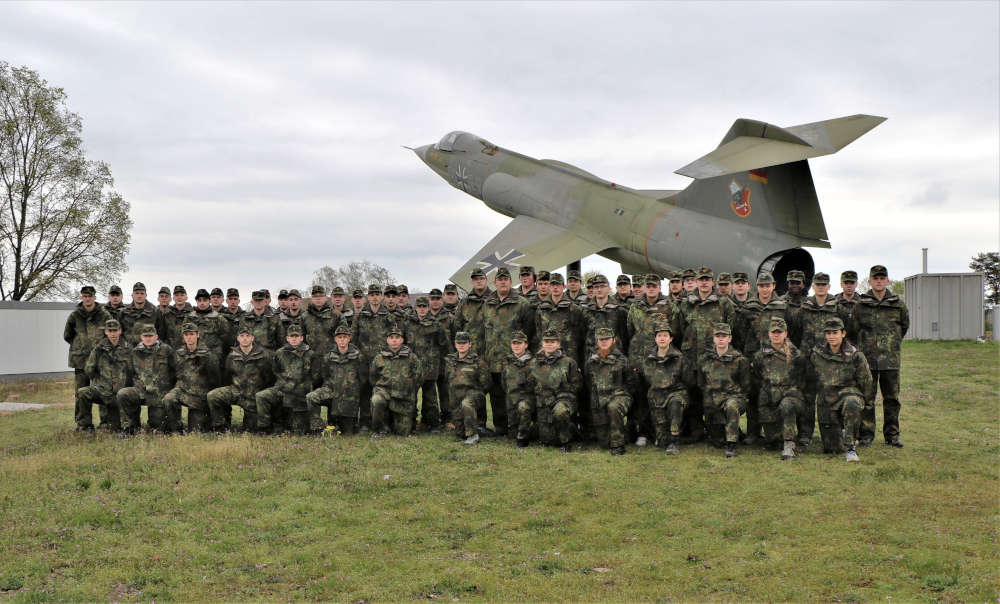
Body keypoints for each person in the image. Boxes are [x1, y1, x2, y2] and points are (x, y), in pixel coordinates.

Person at [853, 265, 909, 447]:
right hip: (867, 361)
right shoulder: (861, 304)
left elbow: (904, 326)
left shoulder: (897, 303)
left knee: (892, 400)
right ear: (869, 281)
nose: (879, 281)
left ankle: (892, 436)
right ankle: (867, 435)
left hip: (890, 361)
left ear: (887, 281)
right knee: (867, 399)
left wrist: (891, 344)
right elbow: (853, 329)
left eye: (882, 278)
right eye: (875, 278)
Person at [625, 273, 681, 446]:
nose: (651, 288)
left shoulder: (670, 306)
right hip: (639, 358)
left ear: (659, 287)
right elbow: (629, 330)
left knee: (659, 395)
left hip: (661, 360)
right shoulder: (635, 306)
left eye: (654, 286)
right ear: (644, 287)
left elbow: (675, 331)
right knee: (641, 396)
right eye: (648, 285)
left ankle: (660, 433)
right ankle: (643, 432)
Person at [807, 317, 874, 461]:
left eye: (835, 333)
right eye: (828, 333)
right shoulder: (817, 353)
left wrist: (866, 403)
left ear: (843, 333)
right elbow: (811, 378)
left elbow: (866, 381)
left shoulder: (855, 355)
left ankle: (851, 447)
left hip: (848, 394)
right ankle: (841, 433)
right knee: (832, 449)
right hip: (826, 399)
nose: (831, 336)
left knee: (852, 403)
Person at [733, 272, 787, 444]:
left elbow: (790, 331)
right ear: (757, 287)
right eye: (762, 286)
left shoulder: (781, 306)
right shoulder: (748, 307)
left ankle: (774, 432)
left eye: (768, 285)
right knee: (753, 395)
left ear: (773, 286)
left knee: (774, 395)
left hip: (776, 358)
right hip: (752, 358)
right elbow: (739, 333)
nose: (765, 289)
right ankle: (753, 433)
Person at [482, 267, 535, 437]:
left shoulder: (522, 303)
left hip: (515, 359)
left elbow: (530, 331)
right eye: (500, 279)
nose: (503, 282)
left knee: (515, 394)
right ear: (495, 283)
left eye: (506, 279)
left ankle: (517, 428)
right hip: (493, 357)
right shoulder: (487, 304)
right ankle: (500, 428)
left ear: (511, 283)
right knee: (496, 395)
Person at [793, 271, 839, 448]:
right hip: (809, 359)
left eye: (824, 284)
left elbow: (845, 331)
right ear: (813, 287)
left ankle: (830, 434)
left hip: (830, 360)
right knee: (808, 398)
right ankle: (805, 434)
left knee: (829, 398)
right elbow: (796, 329)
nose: (820, 287)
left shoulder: (837, 307)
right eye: (817, 284)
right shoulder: (805, 307)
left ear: (828, 286)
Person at [751, 317, 806, 460]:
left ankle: (789, 444)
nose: (776, 335)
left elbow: (803, 378)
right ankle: (776, 438)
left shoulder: (796, 355)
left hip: (791, 396)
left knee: (787, 405)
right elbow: (757, 376)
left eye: (779, 332)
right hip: (769, 396)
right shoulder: (760, 355)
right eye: (773, 332)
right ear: (769, 333)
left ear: (785, 334)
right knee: (772, 441)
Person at [207, 324, 274, 432]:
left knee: (251, 430)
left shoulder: (263, 356)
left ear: (252, 338)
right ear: (238, 338)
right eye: (242, 336)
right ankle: (220, 427)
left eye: (247, 336)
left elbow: (269, 379)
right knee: (213, 396)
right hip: (236, 391)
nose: (245, 338)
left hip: (254, 395)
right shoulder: (232, 356)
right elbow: (227, 377)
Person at [63, 285, 113, 429]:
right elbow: (68, 335)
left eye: (90, 296)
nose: (87, 299)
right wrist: (81, 346)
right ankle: (83, 424)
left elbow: (110, 335)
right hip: (80, 361)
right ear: (81, 297)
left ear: (94, 297)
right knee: (81, 393)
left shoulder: (104, 315)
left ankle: (106, 423)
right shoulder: (75, 316)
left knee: (103, 391)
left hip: (100, 361)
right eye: (85, 296)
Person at [256, 324, 320, 434]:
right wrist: (283, 384)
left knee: (298, 430)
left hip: (301, 393)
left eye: (296, 336)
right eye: (291, 336)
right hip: (282, 388)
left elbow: (315, 377)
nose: (294, 339)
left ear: (301, 338)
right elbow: (275, 371)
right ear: (287, 338)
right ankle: (264, 428)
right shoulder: (280, 353)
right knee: (261, 396)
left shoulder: (310, 354)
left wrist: (302, 386)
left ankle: (285, 424)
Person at [639, 322, 693, 455]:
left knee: (675, 404)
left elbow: (688, 380)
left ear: (671, 338)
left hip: (676, 393)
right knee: (662, 441)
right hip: (656, 396)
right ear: (655, 338)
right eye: (659, 335)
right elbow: (647, 379)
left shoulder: (679, 357)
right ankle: (666, 438)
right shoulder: (648, 358)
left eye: (665, 335)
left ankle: (675, 441)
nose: (662, 338)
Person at [698, 323, 750, 458]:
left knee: (731, 406)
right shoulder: (705, 359)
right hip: (712, 400)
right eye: (718, 336)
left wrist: (734, 396)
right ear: (713, 338)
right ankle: (733, 431)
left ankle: (731, 444)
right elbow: (701, 382)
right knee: (717, 441)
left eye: (724, 336)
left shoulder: (739, 360)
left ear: (730, 338)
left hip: (734, 398)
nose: (721, 339)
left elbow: (745, 385)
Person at [306, 324, 368, 435]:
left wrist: (352, 391)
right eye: (339, 337)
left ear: (349, 338)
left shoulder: (359, 357)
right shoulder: (328, 357)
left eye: (345, 337)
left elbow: (362, 380)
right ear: (335, 339)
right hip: (331, 391)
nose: (342, 340)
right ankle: (317, 428)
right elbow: (325, 376)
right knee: (311, 397)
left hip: (350, 395)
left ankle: (340, 423)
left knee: (347, 433)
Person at [584, 327, 637, 455]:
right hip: (599, 399)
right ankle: (629, 433)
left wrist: (623, 396)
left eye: (607, 339)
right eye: (601, 339)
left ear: (613, 340)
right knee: (604, 443)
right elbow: (588, 382)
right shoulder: (591, 361)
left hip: (618, 396)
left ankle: (618, 446)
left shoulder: (622, 360)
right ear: (597, 341)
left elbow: (632, 382)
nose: (603, 342)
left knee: (614, 408)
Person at [117, 324, 176, 434]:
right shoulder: (135, 352)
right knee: (123, 394)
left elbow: (175, 371)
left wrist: (169, 389)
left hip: (159, 393)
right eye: (145, 336)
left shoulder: (166, 350)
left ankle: (159, 426)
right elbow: (129, 373)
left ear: (156, 336)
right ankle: (130, 427)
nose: (148, 338)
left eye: (150, 336)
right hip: (140, 391)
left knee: (158, 428)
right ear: (141, 337)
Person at [352, 284, 395, 431]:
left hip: (383, 361)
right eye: (372, 295)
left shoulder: (388, 316)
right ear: (368, 297)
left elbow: (394, 338)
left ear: (381, 296)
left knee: (383, 390)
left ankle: (384, 422)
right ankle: (364, 422)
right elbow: (353, 338)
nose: (375, 297)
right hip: (364, 361)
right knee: (364, 391)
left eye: (377, 294)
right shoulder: (360, 316)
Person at [74, 319, 129, 432]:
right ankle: (85, 426)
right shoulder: (98, 349)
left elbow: (134, 371)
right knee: (83, 392)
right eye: (110, 331)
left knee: (116, 428)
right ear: (106, 332)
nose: (113, 334)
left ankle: (123, 424)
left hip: (119, 395)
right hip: (102, 391)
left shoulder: (128, 349)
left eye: (115, 330)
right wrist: (101, 380)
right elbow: (89, 370)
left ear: (120, 331)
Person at [532, 328, 582, 452]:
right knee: (547, 440)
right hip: (542, 402)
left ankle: (566, 443)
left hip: (563, 400)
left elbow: (577, 385)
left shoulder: (568, 362)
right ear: (542, 343)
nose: (549, 344)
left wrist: (560, 395)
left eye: (552, 341)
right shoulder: (534, 363)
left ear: (558, 344)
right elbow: (529, 384)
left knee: (560, 412)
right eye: (546, 341)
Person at [163, 322, 220, 432]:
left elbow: (215, 379)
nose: (189, 337)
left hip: (199, 394)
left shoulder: (208, 355)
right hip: (182, 390)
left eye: (192, 334)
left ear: (198, 335)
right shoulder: (178, 354)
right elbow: (173, 373)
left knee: (196, 430)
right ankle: (176, 429)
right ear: (183, 337)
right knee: (168, 399)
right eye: (186, 335)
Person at [369, 325, 423, 438]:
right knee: (376, 400)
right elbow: (373, 377)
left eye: (397, 337)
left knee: (403, 433)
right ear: (387, 340)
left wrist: (407, 391)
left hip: (403, 397)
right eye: (391, 337)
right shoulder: (379, 357)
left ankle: (395, 423)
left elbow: (418, 378)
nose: (394, 340)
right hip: (385, 393)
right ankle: (379, 430)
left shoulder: (412, 358)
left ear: (402, 340)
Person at [407, 296, 450, 432]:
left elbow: (443, 343)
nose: (422, 310)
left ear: (428, 308)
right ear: (416, 308)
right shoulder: (408, 323)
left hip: (430, 366)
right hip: (413, 367)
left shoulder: (435, 324)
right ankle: (411, 423)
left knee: (430, 398)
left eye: (424, 307)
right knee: (411, 397)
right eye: (419, 307)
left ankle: (433, 424)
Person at [444, 331, 491, 445]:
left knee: (467, 403)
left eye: (464, 343)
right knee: (460, 433)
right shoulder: (450, 361)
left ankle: (473, 435)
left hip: (473, 395)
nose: (461, 345)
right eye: (458, 343)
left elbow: (487, 383)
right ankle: (477, 428)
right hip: (456, 398)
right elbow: (447, 380)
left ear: (470, 344)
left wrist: (475, 394)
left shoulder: (478, 362)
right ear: (455, 344)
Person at [502, 330, 536, 448]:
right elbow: (504, 382)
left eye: (519, 343)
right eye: (514, 343)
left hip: (527, 398)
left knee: (523, 408)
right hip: (511, 398)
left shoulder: (533, 362)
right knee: (512, 434)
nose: (516, 346)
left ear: (525, 345)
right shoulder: (507, 361)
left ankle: (523, 439)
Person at [120, 282, 164, 347]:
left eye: (142, 293)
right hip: (129, 351)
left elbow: (162, 333)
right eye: (137, 293)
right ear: (132, 295)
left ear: (146, 295)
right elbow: (119, 333)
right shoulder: (124, 312)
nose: (139, 296)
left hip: (149, 350)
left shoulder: (155, 311)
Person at [302, 285, 339, 357]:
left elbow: (343, 337)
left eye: (321, 296)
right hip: (311, 357)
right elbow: (300, 338)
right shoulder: (304, 316)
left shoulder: (336, 315)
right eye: (315, 296)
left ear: (326, 298)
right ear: (312, 299)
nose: (318, 298)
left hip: (332, 357)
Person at [835, 270, 860, 344]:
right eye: (846, 283)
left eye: (852, 283)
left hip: (859, 345)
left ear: (856, 284)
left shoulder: (863, 302)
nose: (849, 286)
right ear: (841, 284)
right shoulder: (833, 303)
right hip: (838, 345)